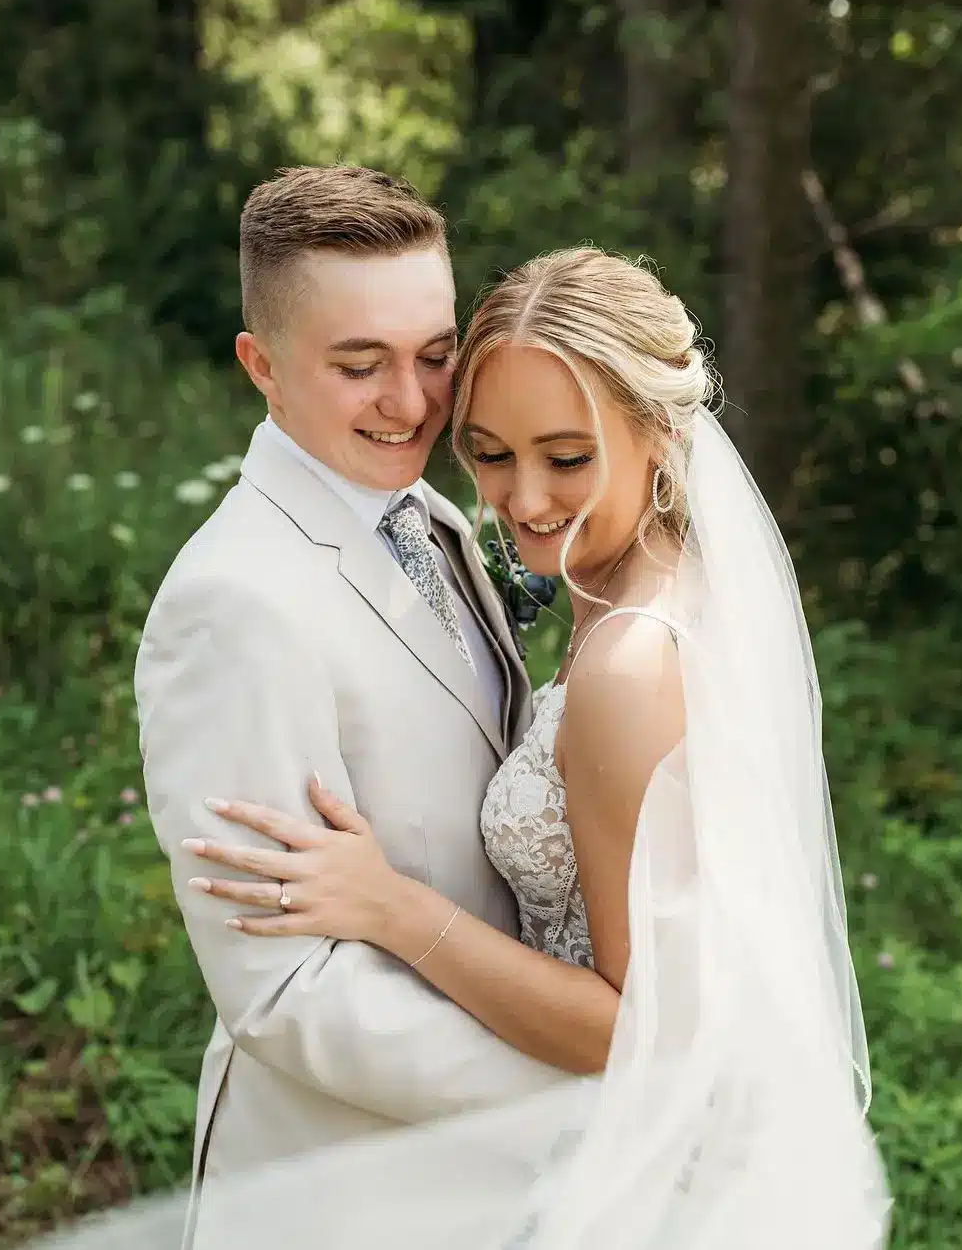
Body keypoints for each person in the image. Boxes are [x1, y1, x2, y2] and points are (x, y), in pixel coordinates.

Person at [187, 248, 892, 1249]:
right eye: (488, 451)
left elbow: (631, 1026)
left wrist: (394, 909)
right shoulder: (650, 584)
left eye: (567, 458)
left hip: (631, 1171)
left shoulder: (630, 669)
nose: (521, 501)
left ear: (659, 429)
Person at [134, 166, 568, 1250]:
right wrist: (571, 1102)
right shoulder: (234, 604)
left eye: (434, 356)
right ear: (261, 365)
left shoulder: (430, 515)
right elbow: (285, 992)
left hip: (491, 1185)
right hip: (348, 1193)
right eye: (359, 365)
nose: (413, 403)